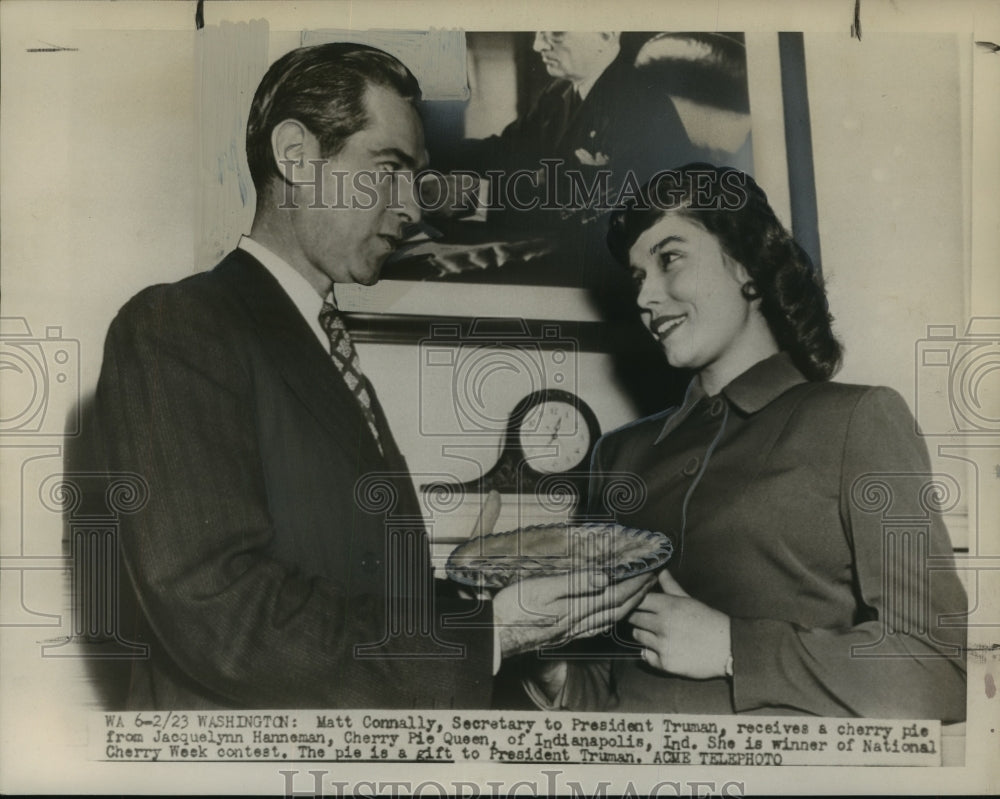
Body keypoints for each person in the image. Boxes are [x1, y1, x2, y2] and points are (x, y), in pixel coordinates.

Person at [94, 42, 652, 710]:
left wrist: (495, 610)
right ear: (296, 155)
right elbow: (220, 610)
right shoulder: (176, 324)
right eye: (389, 169)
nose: (413, 208)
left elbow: (355, 594)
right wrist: (490, 633)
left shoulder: (313, 339)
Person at [527, 164, 967, 721]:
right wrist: (549, 672)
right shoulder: (617, 458)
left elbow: (937, 672)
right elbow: (613, 688)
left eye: (669, 259)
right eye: (638, 277)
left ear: (749, 266)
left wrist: (736, 648)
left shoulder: (858, 420)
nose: (646, 296)